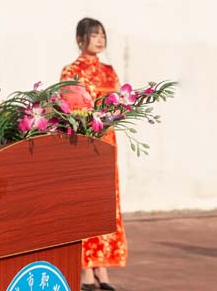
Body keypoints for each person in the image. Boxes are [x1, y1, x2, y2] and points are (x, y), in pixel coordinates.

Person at [61, 17, 127, 291]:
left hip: (107, 141)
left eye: (102, 35)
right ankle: (86, 268)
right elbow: (66, 107)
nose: (100, 40)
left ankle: (102, 267)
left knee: (108, 202)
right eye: (94, 35)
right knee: (86, 201)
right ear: (80, 39)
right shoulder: (71, 71)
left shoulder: (110, 71)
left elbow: (121, 103)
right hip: (84, 142)